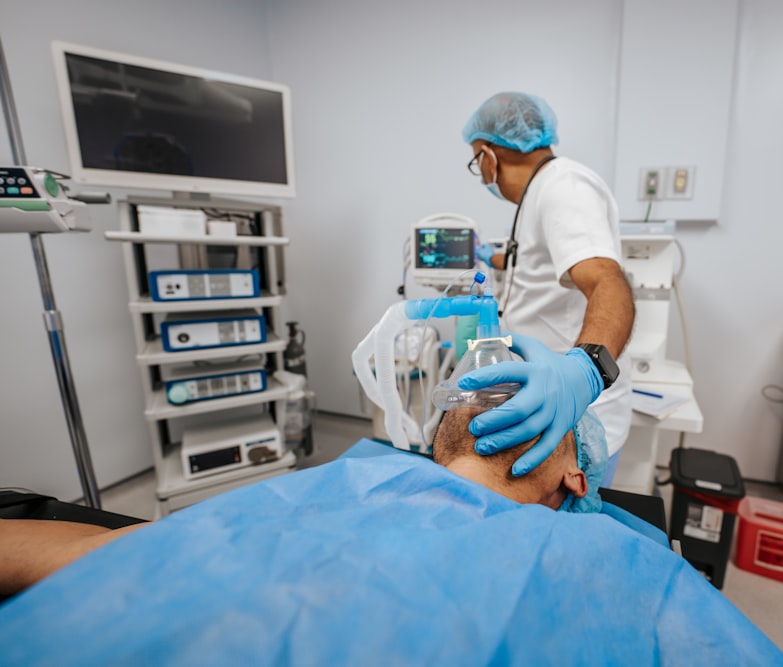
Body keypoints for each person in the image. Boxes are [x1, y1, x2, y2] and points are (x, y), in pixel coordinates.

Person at [0, 407, 604, 597]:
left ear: (574, 476)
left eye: (540, 402)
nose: (506, 388)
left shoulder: (577, 571)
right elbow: (78, 556)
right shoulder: (320, 495)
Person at [458, 91, 635, 484]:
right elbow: (543, 265)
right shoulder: (540, 192)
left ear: (488, 155)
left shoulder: (563, 187)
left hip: (573, 412)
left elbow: (607, 281)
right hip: (544, 405)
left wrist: (586, 370)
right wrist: (492, 256)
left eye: (476, 161)